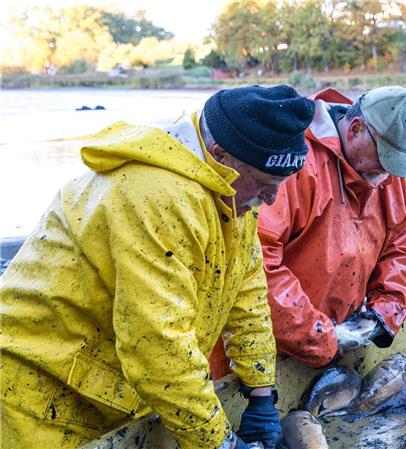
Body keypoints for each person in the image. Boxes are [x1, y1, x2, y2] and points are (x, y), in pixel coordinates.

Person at [0, 85, 316, 449]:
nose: (272, 199)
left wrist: (261, 393)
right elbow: (158, 343)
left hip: (108, 389)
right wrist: (220, 443)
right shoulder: (157, 196)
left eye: (279, 185)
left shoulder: (232, 193)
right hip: (37, 394)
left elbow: (247, 292)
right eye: (263, 184)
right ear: (221, 155)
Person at [257, 86, 406, 368]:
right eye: (384, 157)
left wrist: (383, 313)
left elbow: (398, 247)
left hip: (338, 340)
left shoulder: (386, 173)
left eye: (396, 162)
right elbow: (260, 262)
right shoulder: (296, 159)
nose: (388, 171)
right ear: (356, 129)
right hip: (268, 341)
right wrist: (318, 335)